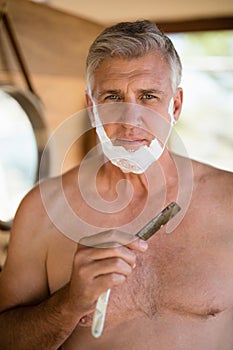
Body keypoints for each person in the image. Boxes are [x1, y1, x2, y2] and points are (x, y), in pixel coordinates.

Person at [0, 20, 232, 350]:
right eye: (112, 97)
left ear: (175, 106)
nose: (130, 120)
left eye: (149, 96)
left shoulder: (230, 200)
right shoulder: (42, 210)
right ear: (91, 107)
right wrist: (69, 304)